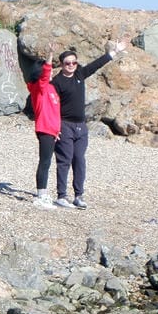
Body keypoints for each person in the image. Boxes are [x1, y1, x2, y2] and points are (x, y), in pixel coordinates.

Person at [45, 41, 125, 209]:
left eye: (74, 62)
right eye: (68, 63)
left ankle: (79, 195)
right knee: (64, 160)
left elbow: (96, 64)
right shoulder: (56, 82)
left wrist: (114, 52)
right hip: (64, 125)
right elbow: (50, 106)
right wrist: (54, 128)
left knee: (79, 160)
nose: (71, 65)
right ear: (62, 64)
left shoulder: (80, 75)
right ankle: (61, 195)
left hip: (81, 126)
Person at [28, 56, 61, 208]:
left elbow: (55, 111)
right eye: (48, 70)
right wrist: (50, 56)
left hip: (53, 130)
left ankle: (44, 193)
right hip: (44, 128)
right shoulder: (38, 87)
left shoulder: (51, 88)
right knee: (45, 162)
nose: (51, 72)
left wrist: (57, 129)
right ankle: (41, 194)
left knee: (48, 162)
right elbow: (45, 74)